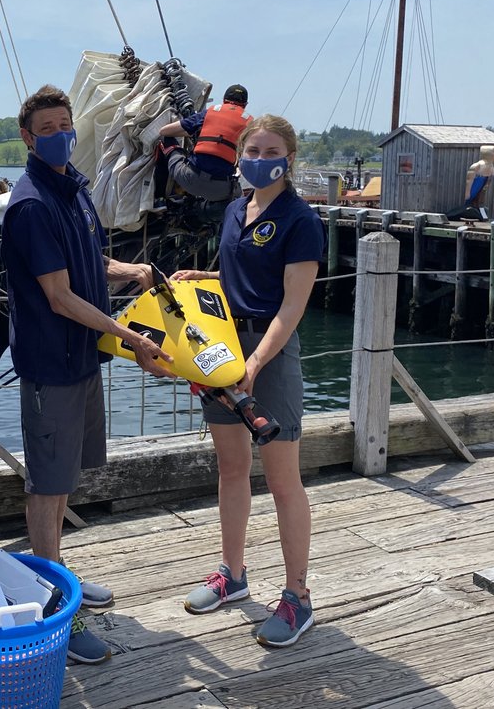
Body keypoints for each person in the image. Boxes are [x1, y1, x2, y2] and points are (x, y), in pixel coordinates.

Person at [1, 84, 175, 665]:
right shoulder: (29, 204)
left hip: (83, 361)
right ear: (28, 137)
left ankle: (60, 576)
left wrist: (137, 270)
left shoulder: (73, 189)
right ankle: (54, 607)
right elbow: (58, 295)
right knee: (46, 486)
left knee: (65, 477)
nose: (60, 135)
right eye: (46, 128)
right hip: (53, 362)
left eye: (64, 124)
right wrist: (129, 337)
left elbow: (90, 263)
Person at [172, 114, 324, 648]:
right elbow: (242, 277)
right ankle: (233, 575)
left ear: (289, 157)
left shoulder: (300, 219)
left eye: (270, 149)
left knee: (284, 480)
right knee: (231, 468)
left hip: (269, 355)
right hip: (223, 351)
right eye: (251, 148)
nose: (259, 157)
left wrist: (257, 362)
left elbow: (290, 304)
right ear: (238, 155)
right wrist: (204, 277)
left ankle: (297, 596)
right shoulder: (238, 209)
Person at [153, 83, 250, 202]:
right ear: (245, 105)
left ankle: (159, 198)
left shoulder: (210, 112)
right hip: (220, 191)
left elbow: (164, 131)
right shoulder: (251, 125)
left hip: (189, 180)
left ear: (224, 100)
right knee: (238, 203)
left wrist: (194, 132)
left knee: (165, 139)